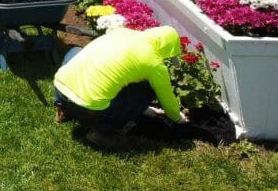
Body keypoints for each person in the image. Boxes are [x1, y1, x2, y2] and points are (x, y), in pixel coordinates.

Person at [53, 26, 188, 148]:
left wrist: (145, 109)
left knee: (76, 51)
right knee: (149, 89)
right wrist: (178, 118)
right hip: (89, 107)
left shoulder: (121, 32)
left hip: (61, 87)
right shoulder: (154, 63)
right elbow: (168, 104)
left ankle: (63, 108)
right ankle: (102, 133)